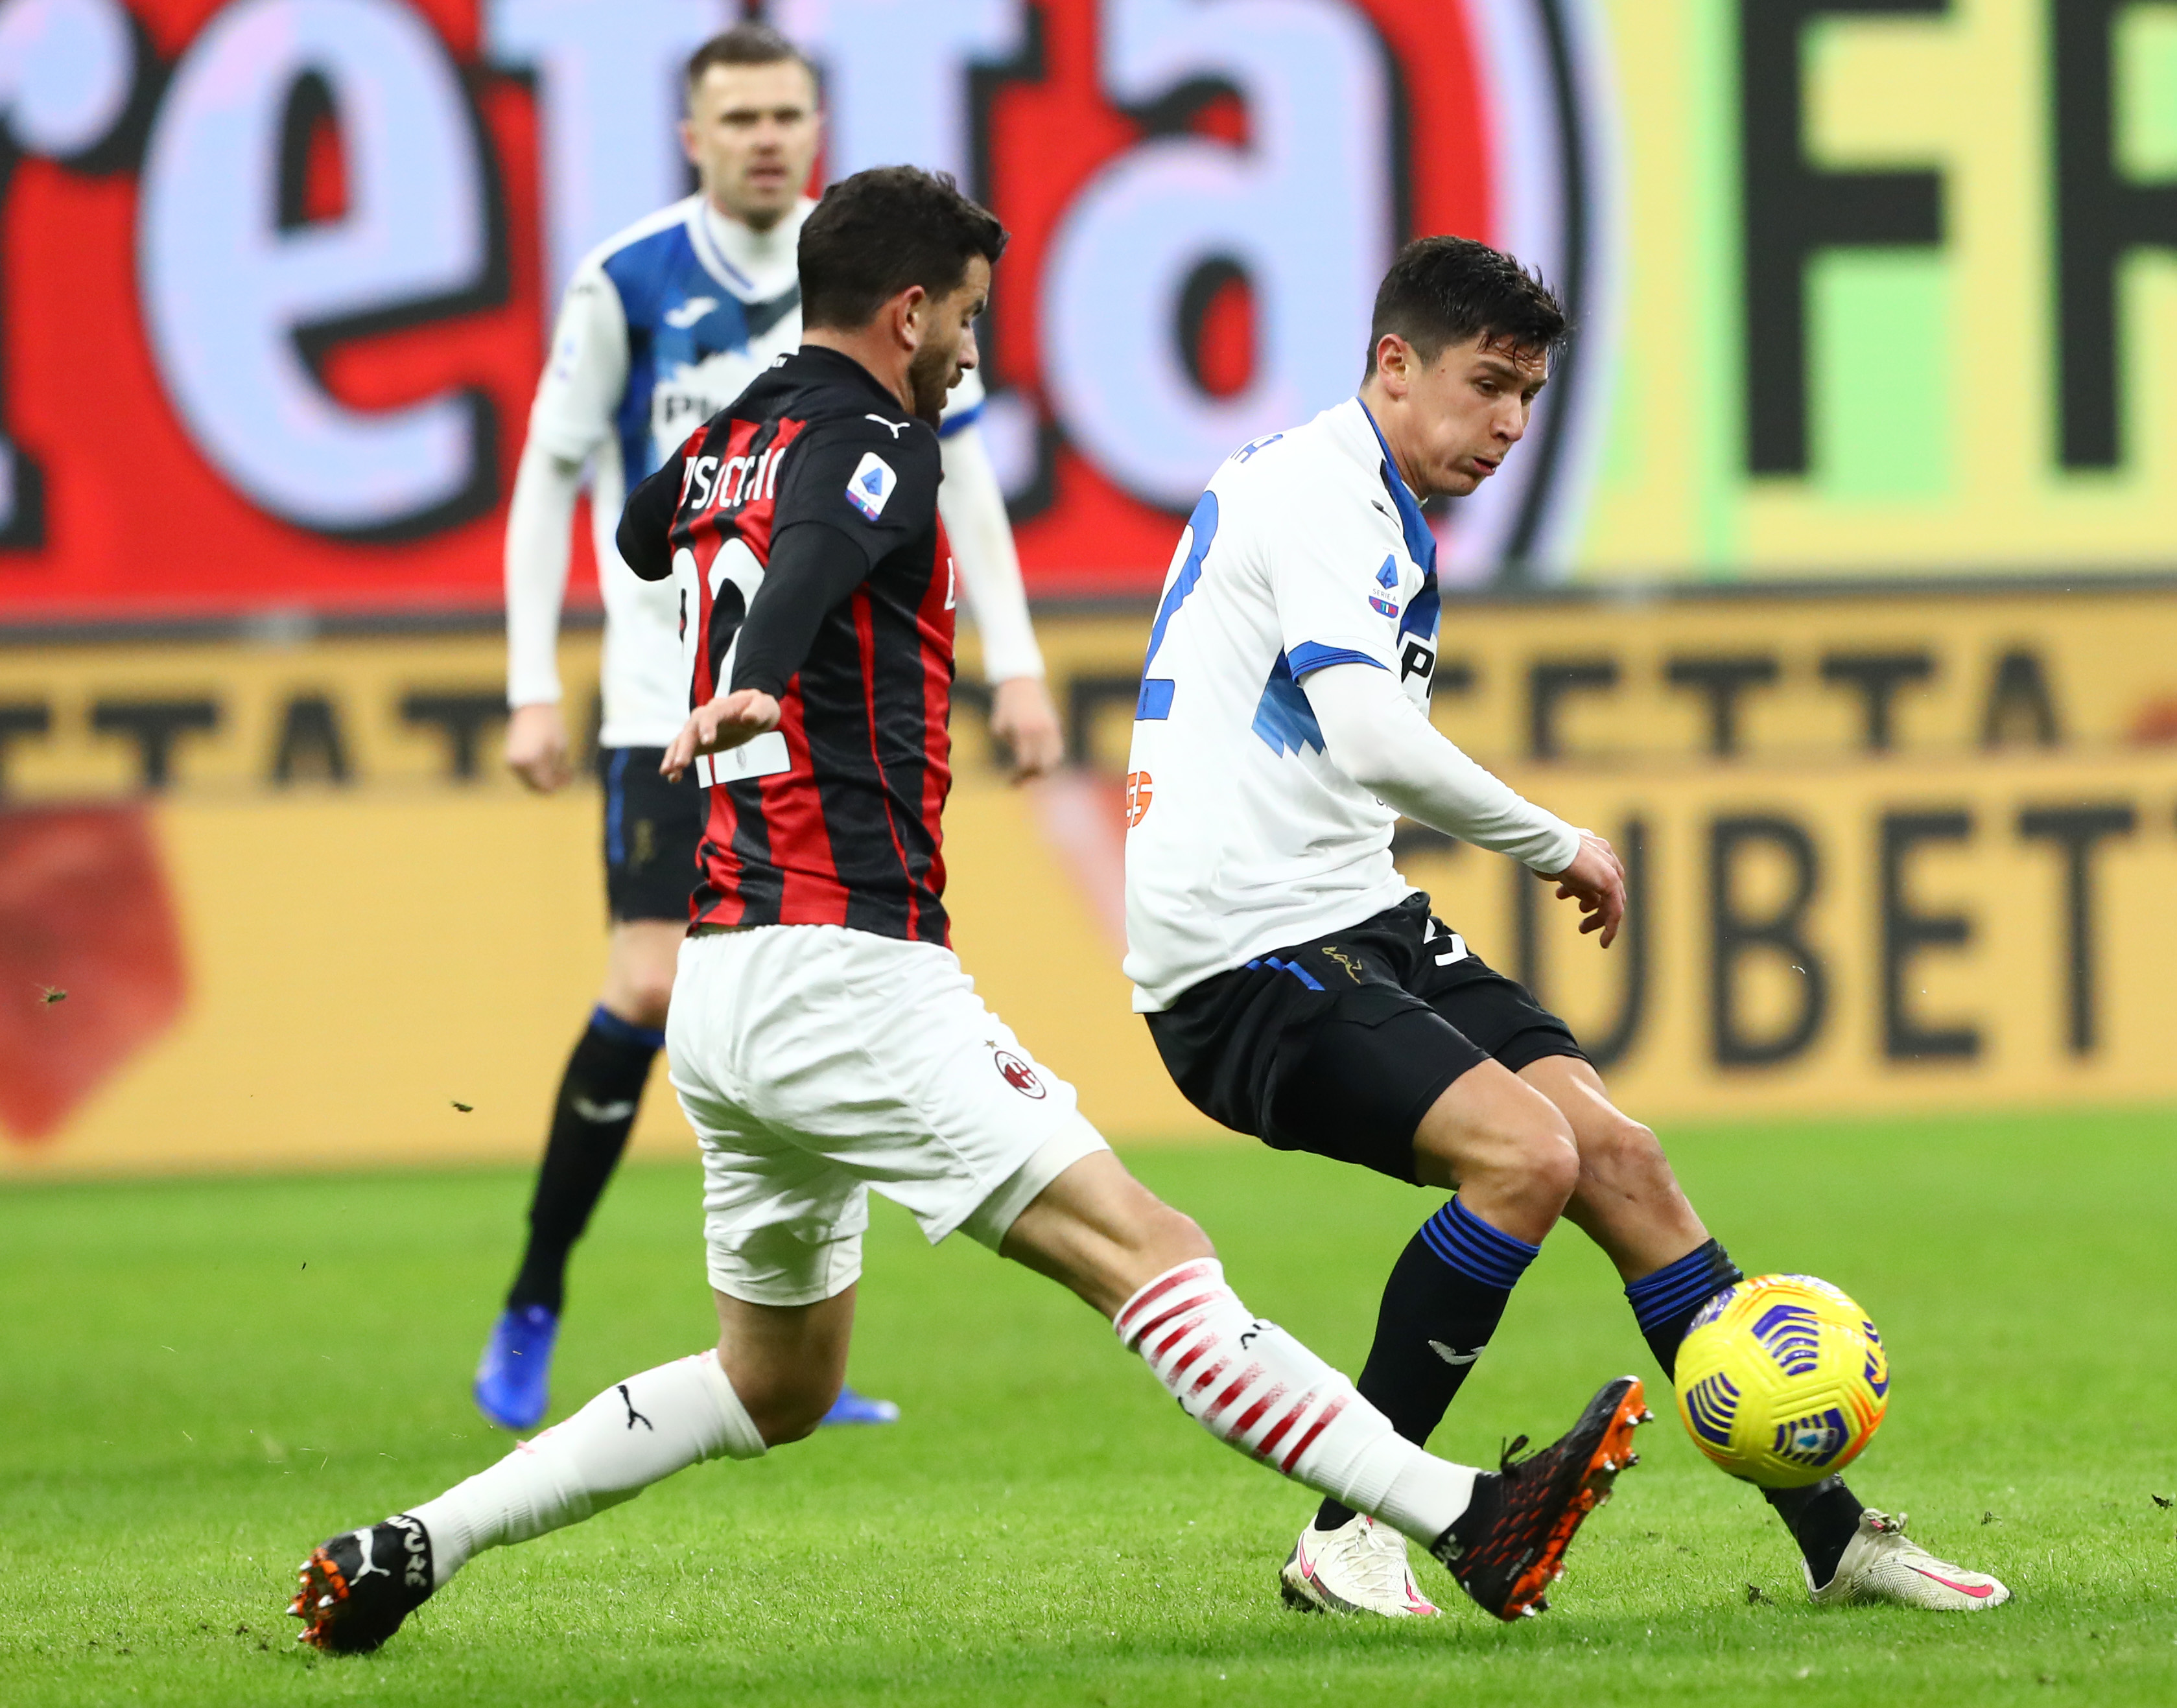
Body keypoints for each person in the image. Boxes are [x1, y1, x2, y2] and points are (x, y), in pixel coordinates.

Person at [290, 168, 1647, 1658]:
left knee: (773, 1381)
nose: (969, 353)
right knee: (1153, 1255)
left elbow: (636, 530)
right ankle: (1461, 1514)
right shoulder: (881, 439)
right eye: (964, 319)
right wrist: (766, 664)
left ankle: (417, 1540)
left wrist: (744, 540)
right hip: (846, 967)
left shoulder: (741, 432)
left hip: (723, 979)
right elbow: (826, 535)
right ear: (906, 311)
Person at [1120, 233, 2012, 1619]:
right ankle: (1350, 1532)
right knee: (1523, 1153)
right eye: (1486, 386)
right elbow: (1369, 736)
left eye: (1528, 397)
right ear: (1393, 362)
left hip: (1347, 910)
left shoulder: (1371, 502)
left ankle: (1833, 1541)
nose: (1510, 425)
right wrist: (1557, 841)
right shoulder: (1316, 493)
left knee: (1617, 1158)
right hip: (1235, 955)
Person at [482, 22, 1062, 1434]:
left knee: (819, 964)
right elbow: (552, 472)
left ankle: (792, 1346)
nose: (763, 136)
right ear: (693, 136)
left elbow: (958, 474)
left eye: (785, 113)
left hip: (829, 705)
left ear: (814, 127)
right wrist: (529, 680)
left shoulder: (879, 286)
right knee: (648, 987)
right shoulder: (629, 280)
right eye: (736, 115)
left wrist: (1020, 662)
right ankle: (536, 1293)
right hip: (665, 696)